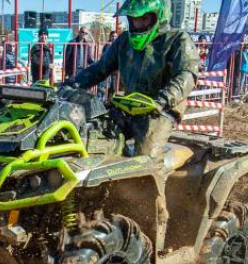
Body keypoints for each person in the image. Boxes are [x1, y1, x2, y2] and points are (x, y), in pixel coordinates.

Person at [64, 0, 198, 159]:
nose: (138, 23)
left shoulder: (177, 39)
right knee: (95, 135)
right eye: (134, 19)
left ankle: (152, 181)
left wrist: (162, 100)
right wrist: (72, 84)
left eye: (144, 18)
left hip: (160, 111)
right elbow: (100, 68)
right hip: (129, 105)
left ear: (158, 17)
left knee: (146, 158)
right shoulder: (123, 41)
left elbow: (187, 74)